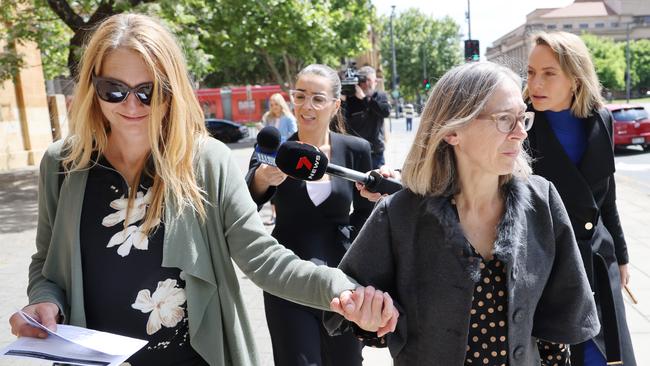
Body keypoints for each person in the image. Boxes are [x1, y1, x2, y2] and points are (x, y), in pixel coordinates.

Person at [8, 13, 398, 366]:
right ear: (93, 86)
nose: (132, 104)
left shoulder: (205, 161)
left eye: (150, 90)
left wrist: (343, 290)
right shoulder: (62, 164)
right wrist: (45, 300)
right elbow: (46, 263)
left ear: (172, 89)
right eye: (114, 89)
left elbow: (263, 258)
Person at [326, 61, 600, 365]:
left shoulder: (541, 202)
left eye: (523, 118)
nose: (521, 133)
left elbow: (558, 325)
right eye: (505, 119)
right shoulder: (400, 215)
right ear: (453, 131)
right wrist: (368, 315)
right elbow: (357, 306)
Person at [247, 64, 374, 366]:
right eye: (300, 96)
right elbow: (245, 203)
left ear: (335, 104)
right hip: (286, 274)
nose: (307, 106)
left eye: (318, 98)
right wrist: (263, 179)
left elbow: (368, 217)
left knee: (346, 361)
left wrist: (354, 261)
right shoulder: (274, 148)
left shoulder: (357, 149)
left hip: (341, 281)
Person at [525, 31, 636, 366]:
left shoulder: (601, 119)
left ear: (575, 79)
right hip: (547, 263)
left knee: (607, 354)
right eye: (530, 72)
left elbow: (606, 197)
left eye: (548, 73)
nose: (535, 83)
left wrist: (621, 255)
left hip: (598, 258)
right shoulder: (519, 124)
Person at [342, 66, 391, 169]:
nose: (366, 84)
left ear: (376, 82)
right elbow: (341, 120)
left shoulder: (379, 96)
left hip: (375, 153)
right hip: (355, 153)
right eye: (363, 80)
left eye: (369, 80)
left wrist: (365, 99)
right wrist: (343, 99)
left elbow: (385, 112)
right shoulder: (351, 99)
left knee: (376, 184)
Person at [259, 93, 297, 225]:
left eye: (276, 104)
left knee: (285, 184)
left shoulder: (288, 118)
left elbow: (294, 136)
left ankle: (288, 213)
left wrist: (279, 141)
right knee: (272, 183)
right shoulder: (268, 118)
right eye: (272, 104)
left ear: (281, 104)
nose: (274, 107)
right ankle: (274, 214)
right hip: (270, 155)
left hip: (284, 155)